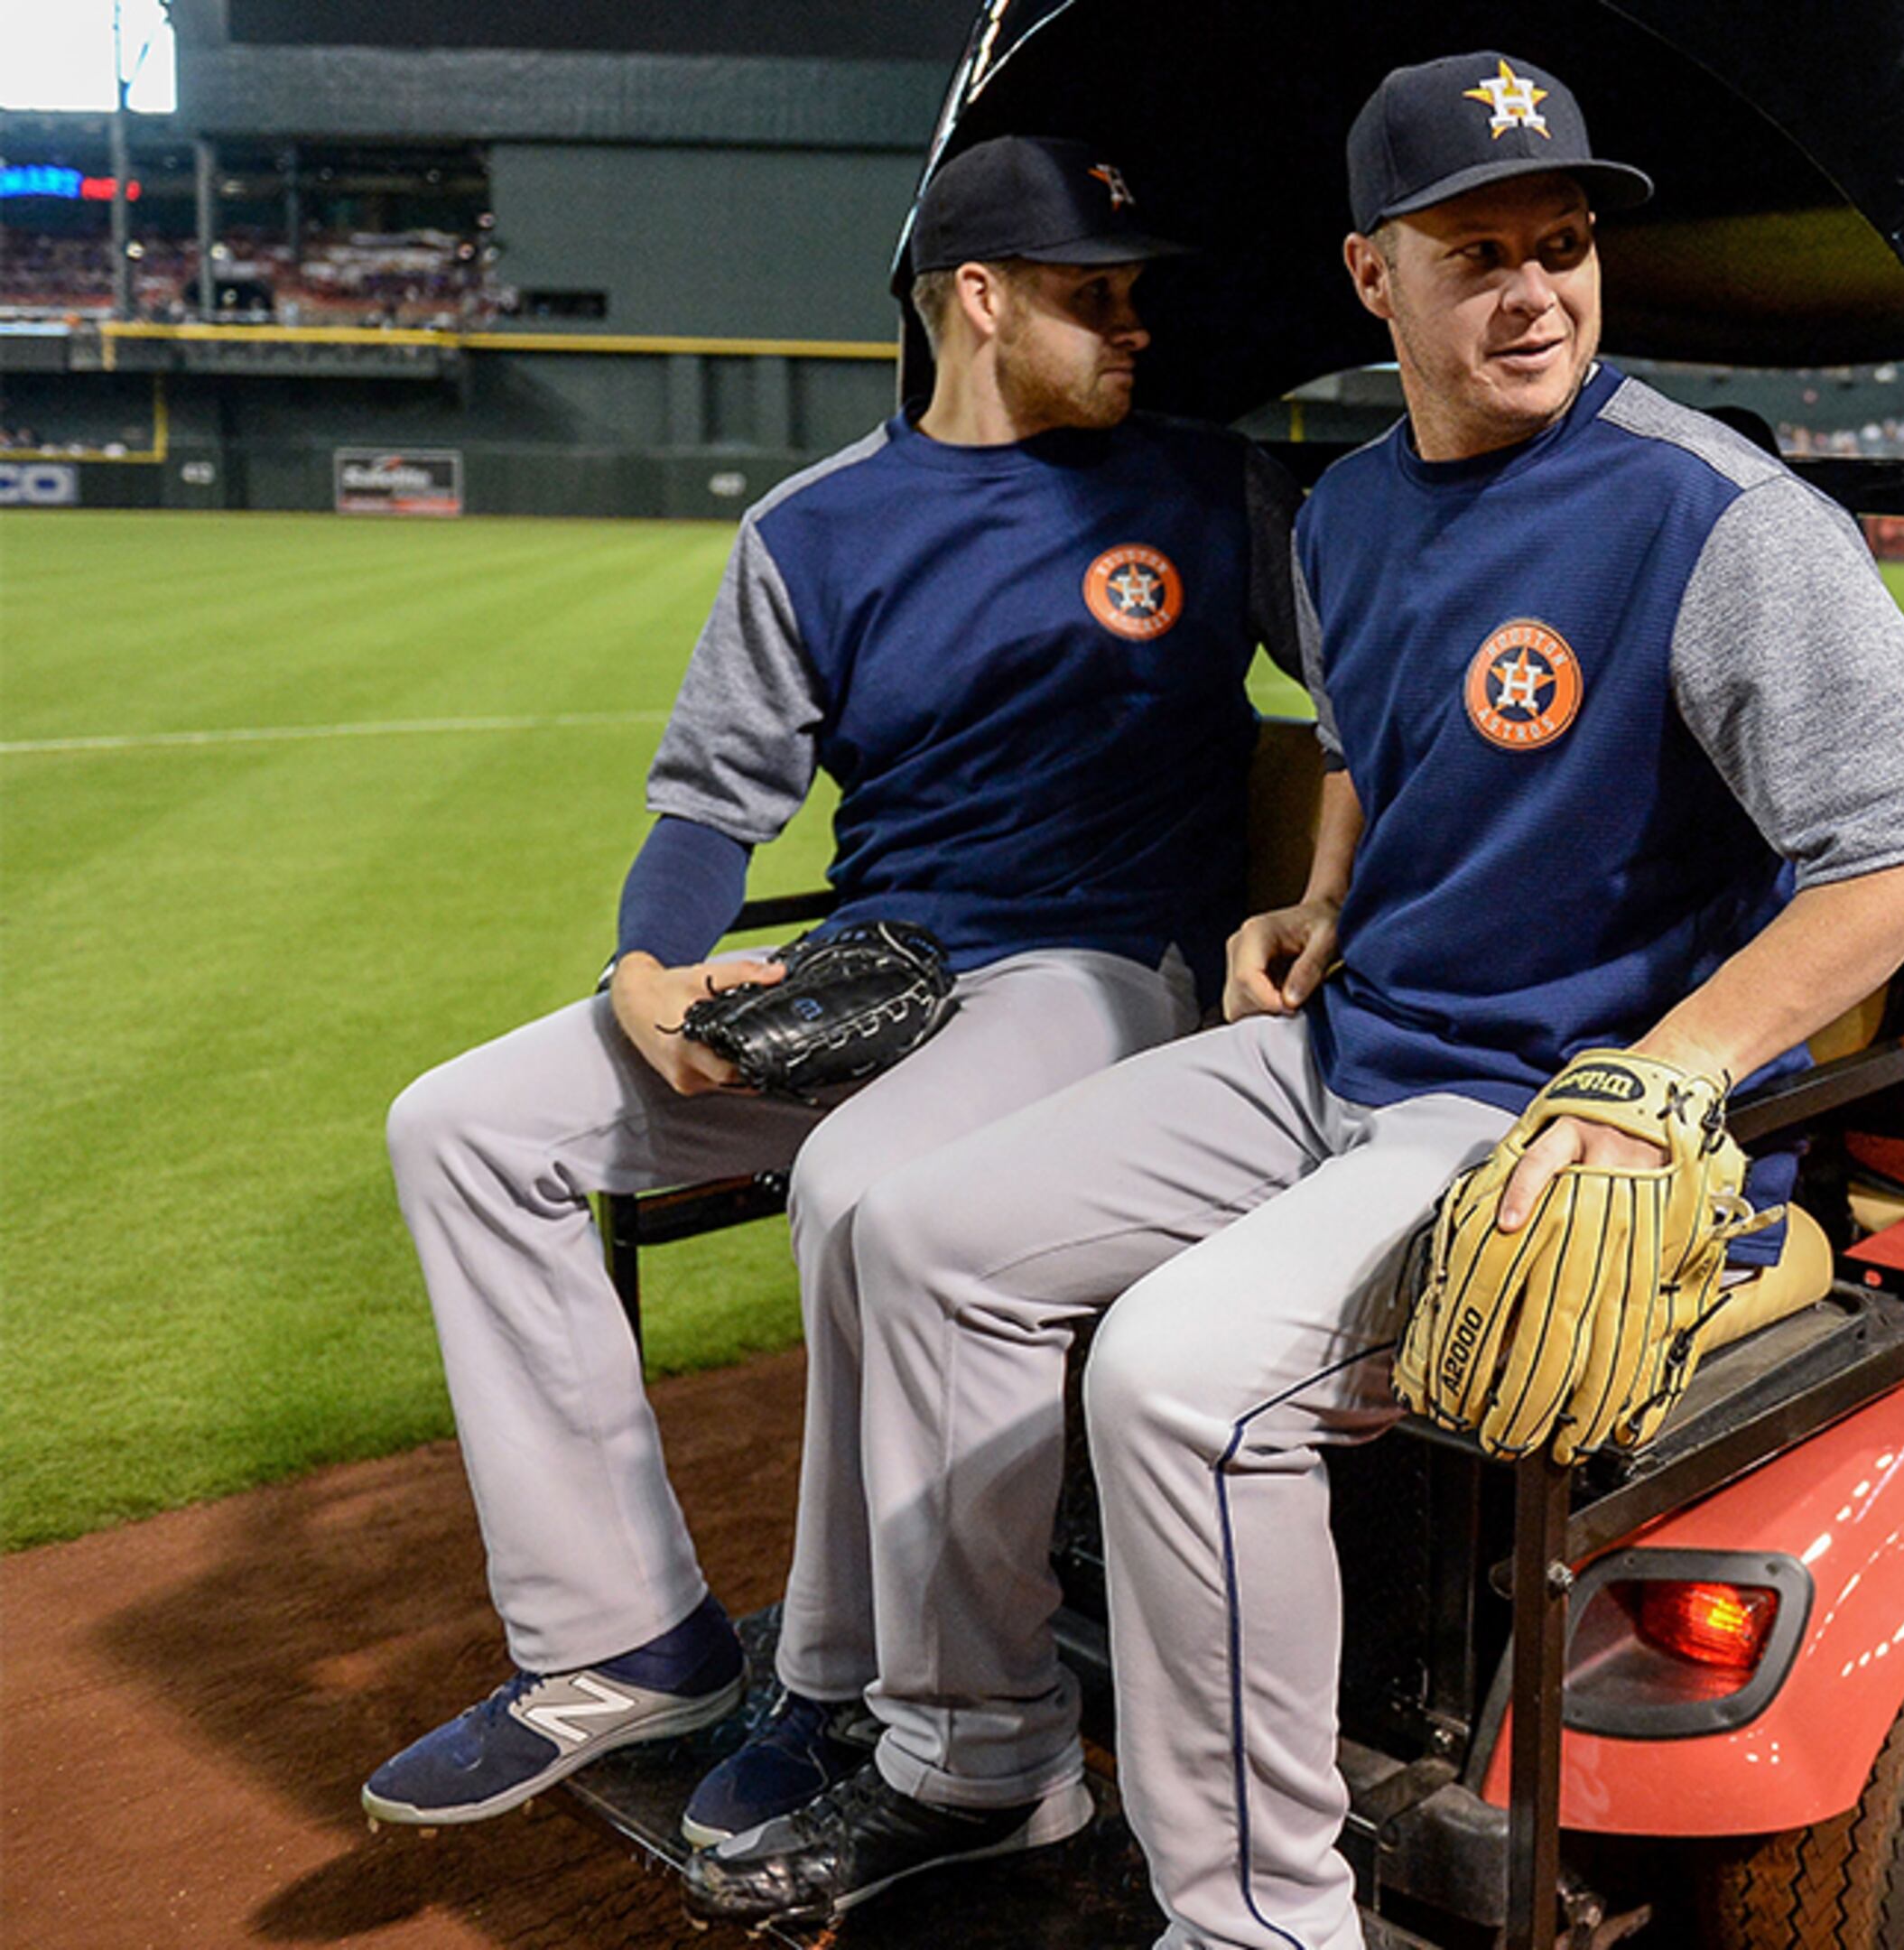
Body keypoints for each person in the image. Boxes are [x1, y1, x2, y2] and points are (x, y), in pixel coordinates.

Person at [677, 52, 1904, 1942]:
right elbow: (1362, 735)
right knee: (915, 1238)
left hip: (1547, 1113)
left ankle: (1261, 1922)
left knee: (1182, 1377)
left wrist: (1674, 1073)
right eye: (1478, 254)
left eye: (1564, 245)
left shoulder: (1710, 517)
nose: (1538, 290)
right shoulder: (1354, 514)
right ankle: (981, 1761)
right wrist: (1316, 897)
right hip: (1348, 1045)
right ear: (1371, 278)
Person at [358, 135, 1300, 1842]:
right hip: (886, 968)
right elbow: (713, 800)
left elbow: (1382, 696)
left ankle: (837, 1679)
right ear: (982, 300)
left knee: (867, 1188)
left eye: (1137, 296)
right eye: (1096, 297)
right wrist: (646, 975)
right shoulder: (816, 529)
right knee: (463, 1128)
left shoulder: (1207, 488)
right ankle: (625, 1638)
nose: (1135, 326)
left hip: (1105, 970)